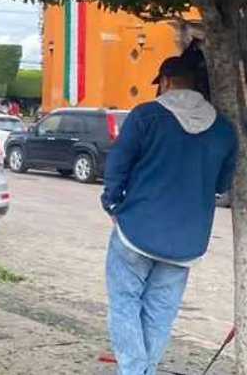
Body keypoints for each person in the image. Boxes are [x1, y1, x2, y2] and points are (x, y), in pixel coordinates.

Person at [101, 56, 237, 375]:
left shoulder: (146, 116)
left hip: (135, 231)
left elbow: (118, 164)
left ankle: (135, 371)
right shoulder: (224, 130)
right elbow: (221, 184)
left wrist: (112, 204)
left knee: (125, 304)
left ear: (165, 81)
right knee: (160, 313)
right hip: (187, 243)